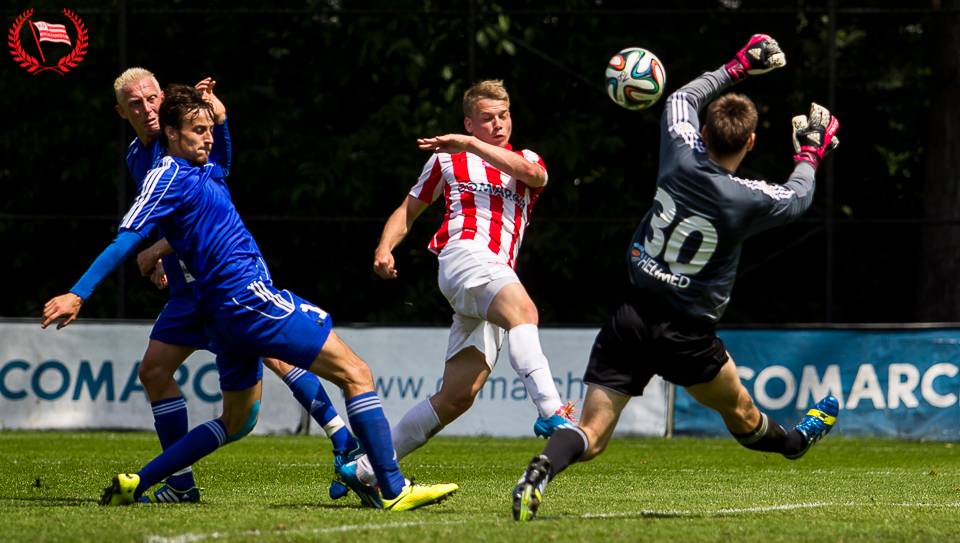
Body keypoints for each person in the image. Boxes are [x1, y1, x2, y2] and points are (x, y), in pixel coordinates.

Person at [42, 85, 458, 511]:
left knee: (236, 420)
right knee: (356, 373)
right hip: (246, 298)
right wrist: (78, 293)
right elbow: (126, 238)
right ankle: (391, 488)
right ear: (170, 132)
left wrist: (221, 122)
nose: (206, 137)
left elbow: (221, 155)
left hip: (223, 315)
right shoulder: (166, 174)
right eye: (198, 130)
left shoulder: (203, 169)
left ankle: (139, 481)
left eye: (208, 130)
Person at [511, 34, 841, 521]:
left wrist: (740, 64)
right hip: (686, 333)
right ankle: (794, 442)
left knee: (592, 433)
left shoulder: (680, 152)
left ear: (702, 132)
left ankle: (538, 471)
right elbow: (797, 197)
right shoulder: (745, 198)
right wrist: (810, 151)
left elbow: (681, 98)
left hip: (632, 314)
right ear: (750, 142)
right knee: (744, 416)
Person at [91, 68, 360, 503]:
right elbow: (171, 214)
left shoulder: (180, 138)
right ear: (122, 112)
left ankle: (343, 438)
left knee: (271, 351)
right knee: (155, 371)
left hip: (217, 282)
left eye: (151, 97)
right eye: (135, 103)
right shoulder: (136, 156)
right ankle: (180, 484)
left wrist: (223, 121)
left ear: (162, 96)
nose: (147, 107)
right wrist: (163, 255)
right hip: (187, 289)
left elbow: (216, 179)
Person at [339, 79, 575, 506]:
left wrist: (469, 143)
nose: (498, 124)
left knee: (457, 396)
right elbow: (409, 210)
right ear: (470, 120)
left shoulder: (525, 159)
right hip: (464, 257)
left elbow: (533, 175)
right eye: (487, 118)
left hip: (494, 274)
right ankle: (551, 413)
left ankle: (366, 469)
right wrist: (384, 247)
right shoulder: (447, 163)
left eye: (504, 116)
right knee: (525, 312)